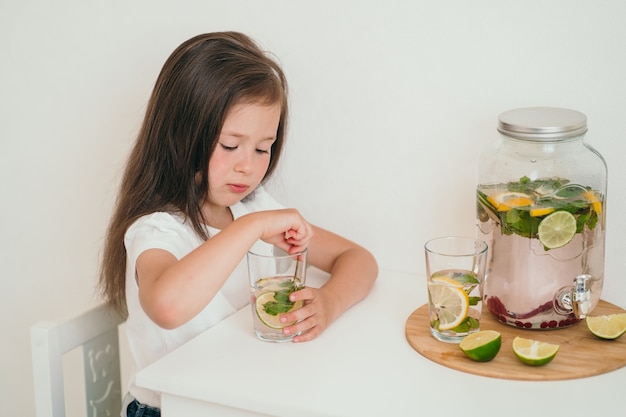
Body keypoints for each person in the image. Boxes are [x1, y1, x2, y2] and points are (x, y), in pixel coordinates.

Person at [98, 32, 378, 417]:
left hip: (235, 399)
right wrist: (253, 227)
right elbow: (166, 305)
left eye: (263, 148)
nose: (249, 165)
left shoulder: (253, 207)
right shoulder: (158, 228)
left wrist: (329, 302)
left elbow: (358, 258)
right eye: (230, 145)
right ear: (182, 136)